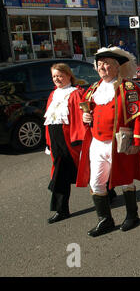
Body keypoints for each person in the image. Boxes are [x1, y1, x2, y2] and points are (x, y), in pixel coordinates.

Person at [76, 46, 140, 237]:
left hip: (120, 141)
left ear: (117, 67)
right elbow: (86, 113)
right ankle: (105, 220)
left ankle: (132, 215)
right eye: (100, 65)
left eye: (108, 65)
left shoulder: (128, 88)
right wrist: (86, 118)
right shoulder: (93, 89)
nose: (103, 68)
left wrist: (137, 142)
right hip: (97, 143)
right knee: (96, 182)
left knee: (126, 180)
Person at [44, 63, 86, 224]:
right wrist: (48, 142)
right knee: (60, 173)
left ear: (69, 75)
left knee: (85, 170)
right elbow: (49, 121)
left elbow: (82, 117)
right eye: (54, 76)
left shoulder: (76, 93)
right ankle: (61, 210)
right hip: (56, 139)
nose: (57, 79)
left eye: (60, 75)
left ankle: (107, 192)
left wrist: (81, 139)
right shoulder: (52, 94)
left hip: (72, 139)